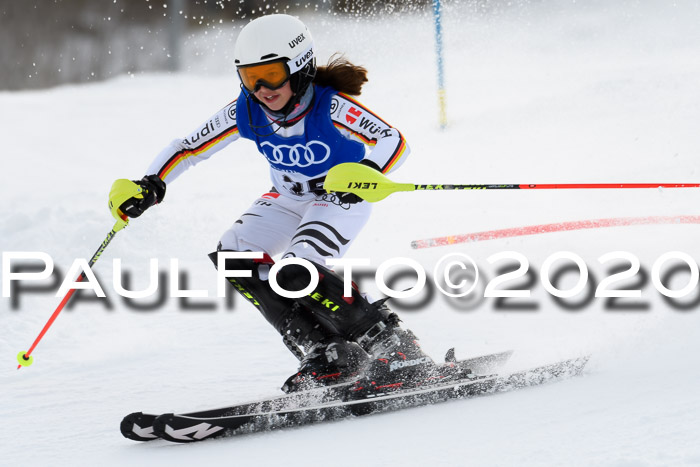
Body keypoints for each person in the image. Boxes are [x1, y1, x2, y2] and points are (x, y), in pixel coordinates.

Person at [109, 14, 438, 394]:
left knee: (297, 270)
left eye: (270, 74)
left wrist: (366, 172)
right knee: (233, 256)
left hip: (338, 200)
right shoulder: (246, 110)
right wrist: (151, 184)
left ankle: (394, 346)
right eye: (250, 77)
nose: (262, 88)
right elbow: (188, 148)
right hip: (286, 198)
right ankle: (325, 351)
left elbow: (393, 140)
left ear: (299, 69)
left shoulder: (330, 107)